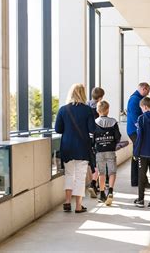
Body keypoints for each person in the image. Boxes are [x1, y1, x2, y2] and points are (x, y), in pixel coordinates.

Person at [55, 83, 95, 213]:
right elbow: (92, 129)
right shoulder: (87, 110)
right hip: (82, 147)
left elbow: (58, 129)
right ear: (83, 94)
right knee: (80, 176)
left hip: (67, 147)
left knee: (69, 174)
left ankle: (67, 202)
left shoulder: (63, 110)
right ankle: (78, 206)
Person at [93, 100, 121, 206]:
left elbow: (92, 138)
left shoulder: (94, 122)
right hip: (111, 150)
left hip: (99, 151)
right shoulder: (113, 122)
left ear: (98, 110)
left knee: (101, 173)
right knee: (112, 172)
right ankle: (110, 191)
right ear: (108, 110)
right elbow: (118, 137)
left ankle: (102, 194)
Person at [127, 82, 150, 187]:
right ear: (144, 89)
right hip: (135, 131)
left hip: (135, 131)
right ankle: (141, 181)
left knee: (137, 155)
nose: (147, 94)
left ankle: (136, 180)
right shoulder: (135, 99)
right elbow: (135, 118)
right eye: (148, 91)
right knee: (141, 156)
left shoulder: (137, 98)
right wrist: (142, 129)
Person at [87, 87, 105, 198]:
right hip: (96, 137)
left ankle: (94, 184)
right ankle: (93, 183)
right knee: (98, 162)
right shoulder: (99, 108)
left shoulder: (86, 106)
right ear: (100, 97)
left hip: (87, 138)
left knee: (91, 162)